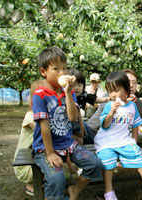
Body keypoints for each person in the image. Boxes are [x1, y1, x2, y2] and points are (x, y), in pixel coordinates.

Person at [32, 47, 102, 200]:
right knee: (57, 178)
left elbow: (72, 118)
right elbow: (44, 126)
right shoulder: (40, 95)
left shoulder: (68, 92)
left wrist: (68, 93)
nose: (62, 72)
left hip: (68, 144)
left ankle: (75, 189)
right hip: (46, 148)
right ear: (43, 72)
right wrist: (50, 153)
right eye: (56, 68)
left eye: (64, 68)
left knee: (95, 164)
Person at [94, 71, 142, 200]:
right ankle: (108, 191)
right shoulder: (109, 105)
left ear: (126, 90)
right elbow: (104, 125)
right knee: (107, 159)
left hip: (124, 140)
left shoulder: (132, 106)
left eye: (116, 90)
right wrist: (111, 112)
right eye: (110, 92)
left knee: (137, 153)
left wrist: (134, 141)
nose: (113, 95)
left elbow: (136, 124)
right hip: (106, 141)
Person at [86, 68, 142, 134]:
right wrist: (124, 102)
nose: (131, 85)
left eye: (134, 82)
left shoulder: (137, 103)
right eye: (128, 82)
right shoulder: (110, 97)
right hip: (93, 132)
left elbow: (140, 126)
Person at [13, 80, 46, 196]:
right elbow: (44, 131)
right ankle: (31, 183)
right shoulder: (30, 117)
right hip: (24, 168)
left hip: (33, 157)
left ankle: (39, 180)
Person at [69, 68, 110, 144]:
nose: (76, 88)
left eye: (79, 85)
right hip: (70, 124)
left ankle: (94, 141)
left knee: (85, 130)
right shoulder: (66, 98)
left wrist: (105, 99)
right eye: (73, 85)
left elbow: (94, 99)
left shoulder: (83, 95)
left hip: (79, 122)